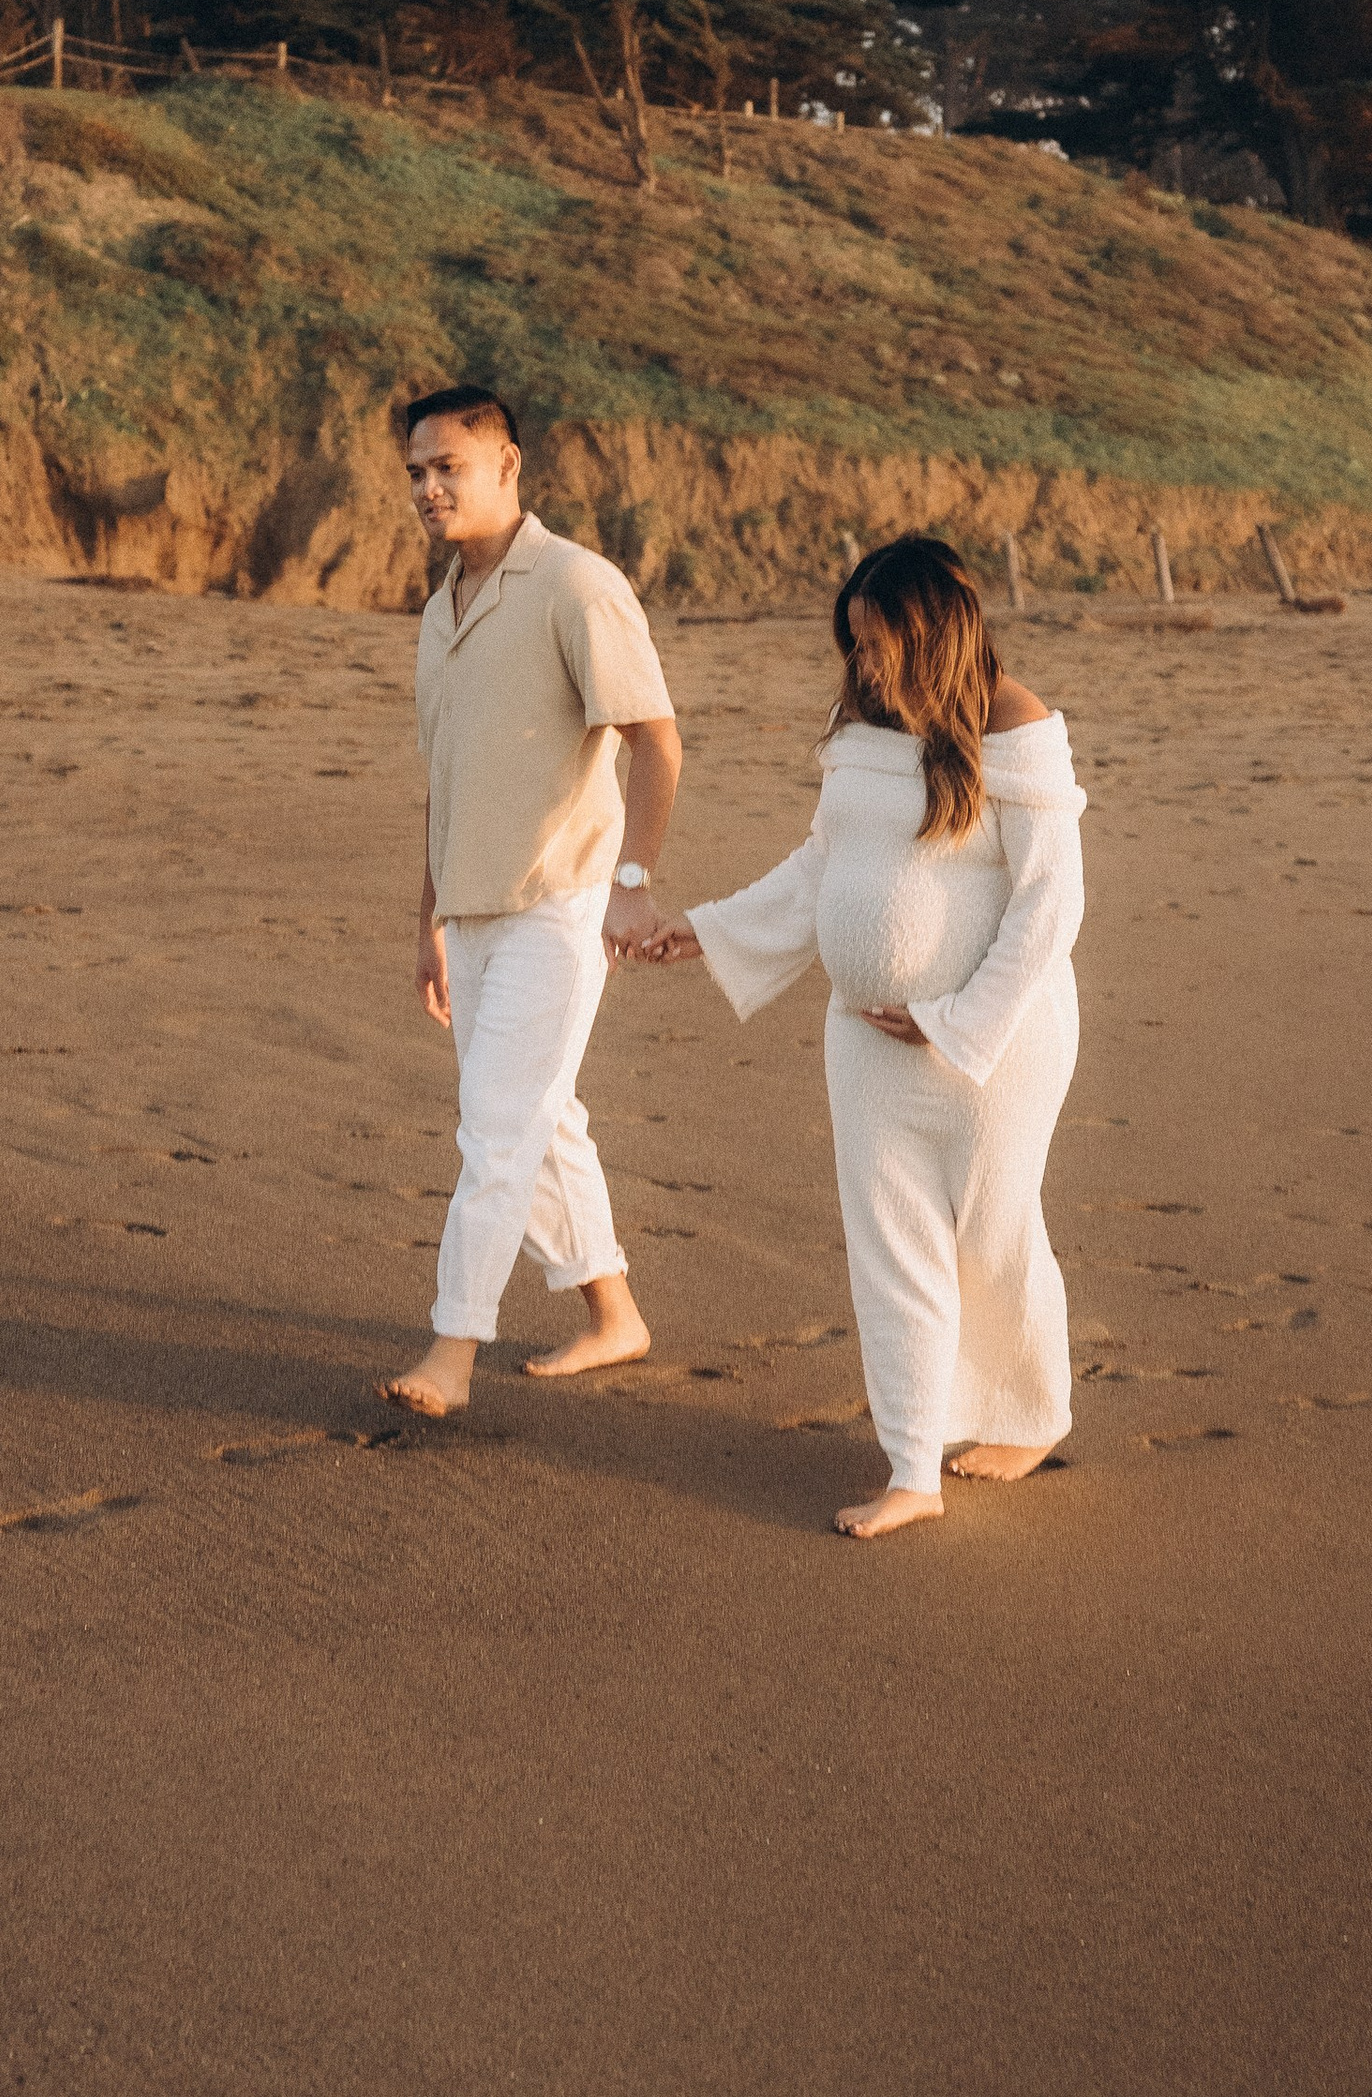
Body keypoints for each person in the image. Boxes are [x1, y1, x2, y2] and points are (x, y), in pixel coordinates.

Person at [644, 534, 1084, 1538]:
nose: (863, 663)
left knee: (994, 1230)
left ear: (930, 631)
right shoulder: (859, 721)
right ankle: (912, 1467)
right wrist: (706, 932)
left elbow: (1050, 906)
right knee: (890, 1248)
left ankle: (1030, 1412)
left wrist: (955, 1021)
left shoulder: (1014, 722)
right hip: (863, 1043)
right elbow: (821, 865)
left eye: (878, 642)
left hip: (998, 1045)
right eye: (853, 643)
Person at [381, 385, 683, 1420]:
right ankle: (615, 1316)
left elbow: (655, 740)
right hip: (470, 910)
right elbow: (447, 776)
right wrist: (427, 920)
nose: (428, 487)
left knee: (496, 1130)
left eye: (448, 467)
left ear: (507, 465)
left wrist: (631, 888)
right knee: (541, 1121)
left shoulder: (575, 585)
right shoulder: (439, 610)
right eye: (416, 471)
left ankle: (452, 1351)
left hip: (564, 903)